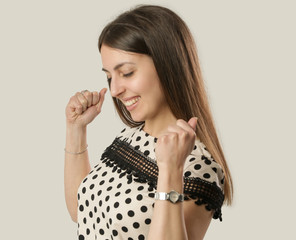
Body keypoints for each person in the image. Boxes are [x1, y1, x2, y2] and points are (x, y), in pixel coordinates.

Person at [64, 5, 233, 240]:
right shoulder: (128, 136)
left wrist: (171, 169)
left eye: (127, 73)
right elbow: (81, 212)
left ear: (167, 64)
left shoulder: (199, 167)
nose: (114, 90)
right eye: (109, 76)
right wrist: (76, 129)